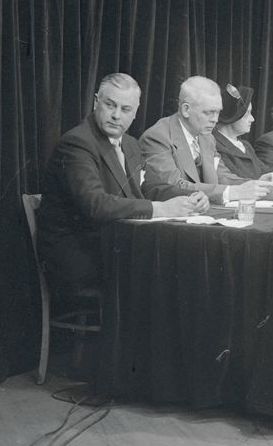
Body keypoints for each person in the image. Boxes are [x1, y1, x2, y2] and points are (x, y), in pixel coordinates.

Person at [36, 73, 202, 299]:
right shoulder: (77, 143)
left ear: (135, 113)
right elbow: (95, 204)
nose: (116, 116)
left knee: (182, 265)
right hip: (79, 258)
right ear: (96, 102)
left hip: (111, 249)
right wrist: (161, 209)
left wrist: (190, 196)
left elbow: (150, 186)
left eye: (125, 109)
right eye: (110, 105)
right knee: (170, 273)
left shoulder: (130, 144)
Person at [140, 76, 273, 203]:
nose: (215, 119)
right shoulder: (157, 137)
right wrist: (232, 193)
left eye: (217, 112)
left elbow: (221, 176)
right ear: (186, 109)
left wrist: (255, 184)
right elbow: (173, 186)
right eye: (208, 112)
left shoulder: (207, 138)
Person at [213, 83, 273, 187]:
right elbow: (232, 181)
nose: (252, 119)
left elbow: (265, 172)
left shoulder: (246, 146)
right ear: (233, 115)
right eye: (247, 114)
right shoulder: (215, 144)